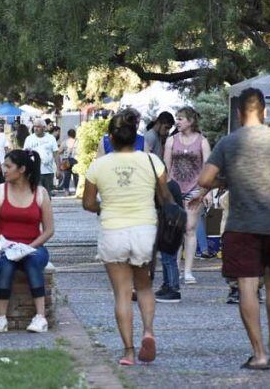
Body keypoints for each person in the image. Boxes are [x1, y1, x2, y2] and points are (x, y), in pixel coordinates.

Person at [198, 88, 270, 370]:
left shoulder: (228, 143)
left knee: (247, 285)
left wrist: (227, 180)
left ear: (240, 113)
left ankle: (259, 353)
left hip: (242, 225)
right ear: (264, 112)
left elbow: (204, 179)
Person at [82, 109, 171, 365]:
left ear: (110, 138)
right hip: (145, 230)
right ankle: (149, 332)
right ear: (135, 137)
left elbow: (88, 203)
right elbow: (165, 196)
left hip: (113, 231)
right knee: (143, 287)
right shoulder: (152, 161)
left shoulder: (98, 165)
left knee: (122, 293)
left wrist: (104, 206)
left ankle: (129, 352)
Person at [0, 149, 54, 333]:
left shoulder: (40, 193)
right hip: (3, 245)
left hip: (32, 246)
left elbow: (49, 230)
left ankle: (40, 317)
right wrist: (3, 245)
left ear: (22, 169)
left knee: (33, 261)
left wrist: (28, 247)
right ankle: (1, 318)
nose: (4, 170)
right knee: (6, 263)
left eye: (8, 166)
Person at [163, 107, 212, 285]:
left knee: (190, 229)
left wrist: (206, 191)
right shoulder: (171, 141)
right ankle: (174, 269)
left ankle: (188, 271)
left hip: (194, 189)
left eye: (181, 118)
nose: (178, 121)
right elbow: (166, 167)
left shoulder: (202, 141)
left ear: (191, 121)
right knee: (176, 230)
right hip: (175, 189)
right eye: (177, 118)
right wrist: (165, 190)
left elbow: (208, 167)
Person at [23, 119, 61, 196]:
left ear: (44, 128)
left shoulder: (51, 138)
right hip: (35, 172)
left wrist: (58, 169)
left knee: (47, 195)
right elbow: (26, 153)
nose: (36, 128)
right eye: (34, 127)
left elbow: (56, 153)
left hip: (48, 172)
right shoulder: (29, 139)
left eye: (38, 127)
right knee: (36, 195)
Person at [59, 128, 79, 195]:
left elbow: (59, 151)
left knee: (67, 176)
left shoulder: (64, 142)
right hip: (75, 160)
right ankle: (77, 190)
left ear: (68, 135)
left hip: (66, 161)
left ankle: (66, 191)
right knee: (76, 176)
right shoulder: (77, 142)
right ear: (75, 134)